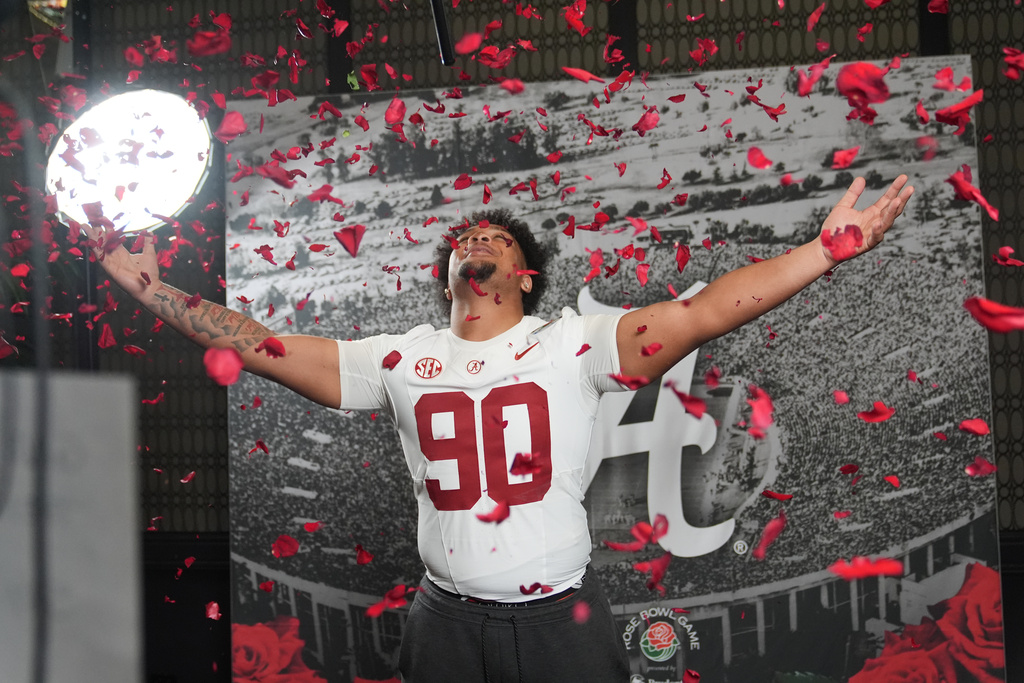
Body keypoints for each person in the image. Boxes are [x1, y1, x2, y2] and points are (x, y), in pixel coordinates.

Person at [83, 175, 913, 682]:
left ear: (523, 275)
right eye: (465, 237)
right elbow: (259, 345)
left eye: (498, 237)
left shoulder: (574, 344)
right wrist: (151, 290)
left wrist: (822, 252)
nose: (476, 238)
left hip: (560, 623)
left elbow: (701, 314)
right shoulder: (397, 357)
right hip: (443, 620)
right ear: (449, 273)